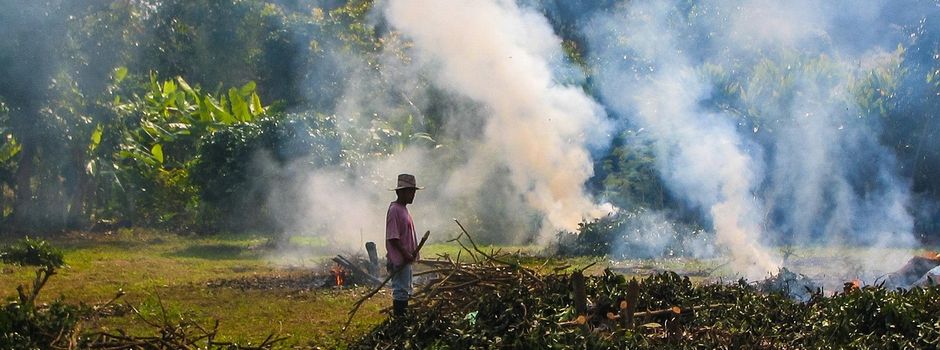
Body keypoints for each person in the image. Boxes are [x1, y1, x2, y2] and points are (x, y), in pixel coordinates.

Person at [386, 173, 422, 317]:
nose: (412, 195)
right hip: (399, 259)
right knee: (401, 290)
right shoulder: (394, 210)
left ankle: (403, 320)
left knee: (406, 289)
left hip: (405, 258)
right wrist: (405, 253)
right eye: (410, 191)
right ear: (399, 192)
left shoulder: (403, 209)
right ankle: (399, 320)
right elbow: (393, 237)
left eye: (413, 191)